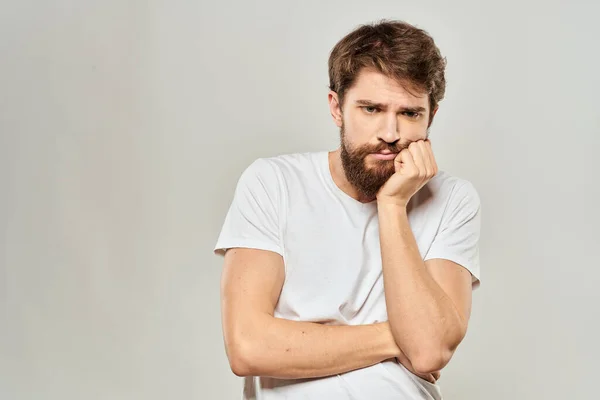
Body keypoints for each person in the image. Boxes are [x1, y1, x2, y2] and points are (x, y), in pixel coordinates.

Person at [213, 19, 482, 400]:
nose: (390, 133)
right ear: (336, 107)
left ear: (431, 116)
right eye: (371, 109)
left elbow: (427, 351)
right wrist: (396, 335)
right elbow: (248, 347)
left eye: (410, 113)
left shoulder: (453, 199)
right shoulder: (273, 182)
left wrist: (392, 204)